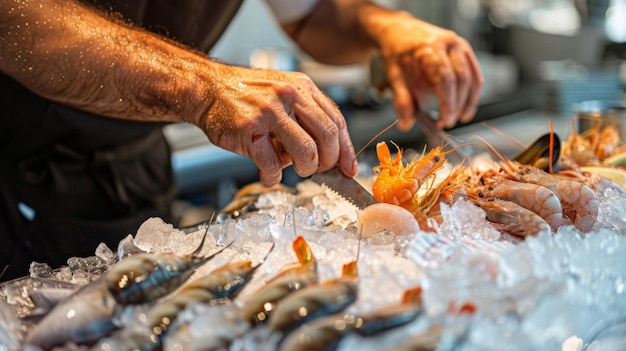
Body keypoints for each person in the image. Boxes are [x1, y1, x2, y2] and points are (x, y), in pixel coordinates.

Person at [0, 0, 483, 280]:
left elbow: (311, 15)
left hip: (131, 175)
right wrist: (199, 84)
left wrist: (386, 26)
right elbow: (12, 21)